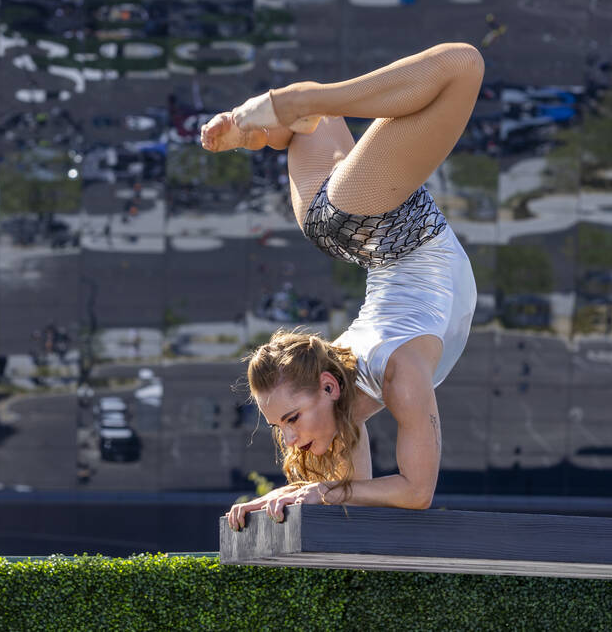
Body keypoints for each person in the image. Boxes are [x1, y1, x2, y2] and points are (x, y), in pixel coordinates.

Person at [202, 43, 484, 530]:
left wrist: (320, 491)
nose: (289, 440)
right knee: (320, 120)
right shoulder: (364, 382)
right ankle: (274, 128)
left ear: (328, 386)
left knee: (464, 66)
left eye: (288, 420)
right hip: (331, 222)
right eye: (281, 426)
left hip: (379, 221)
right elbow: (368, 491)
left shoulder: (396, 371)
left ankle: (296, 108)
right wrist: (278, 498)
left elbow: (416, 492)